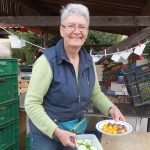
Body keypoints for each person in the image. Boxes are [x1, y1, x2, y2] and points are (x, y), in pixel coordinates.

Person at [25, 3, 125, 150]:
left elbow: (95, 93)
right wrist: (57, 132)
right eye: (71, 25)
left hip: (73, 129)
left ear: (87, 31)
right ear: (62, 30)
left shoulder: (88, 61)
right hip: (46, 134)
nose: (77, 31)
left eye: (82, 27)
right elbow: (32, 103)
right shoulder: (47, 61)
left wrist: (112, 109)